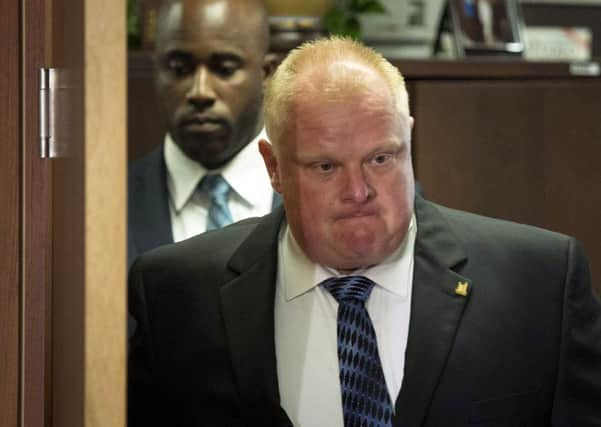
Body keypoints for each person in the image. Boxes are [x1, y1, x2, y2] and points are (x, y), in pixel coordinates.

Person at [128, 37, 601, 426]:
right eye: (326, 166)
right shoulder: (176, 294)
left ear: (409, 140)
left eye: (381, 158)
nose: (358, 191)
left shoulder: (539, 286)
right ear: (273, 167)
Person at [128, 0, 278, 267]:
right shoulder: (112, 203)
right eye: (178, 69)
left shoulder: (314, 196)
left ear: (266, 75)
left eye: (224, 69)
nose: (200, 91)